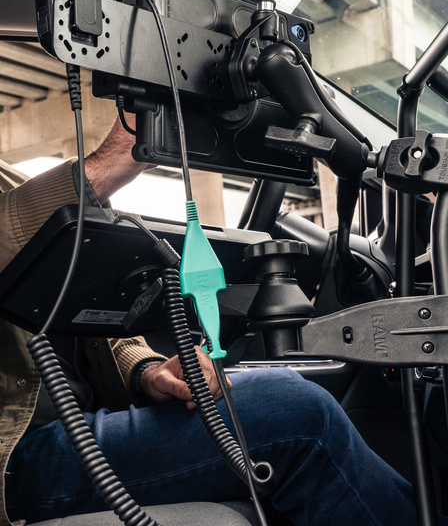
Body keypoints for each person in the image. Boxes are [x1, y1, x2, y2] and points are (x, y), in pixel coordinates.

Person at [0, 113, 418, 526]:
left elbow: (86, 321)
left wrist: (149, 373)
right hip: (16, 458)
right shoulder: (25, 196)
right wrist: (115, 159)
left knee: (283, 394)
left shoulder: (12, 179)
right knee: (298, 416)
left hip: (74, 427)